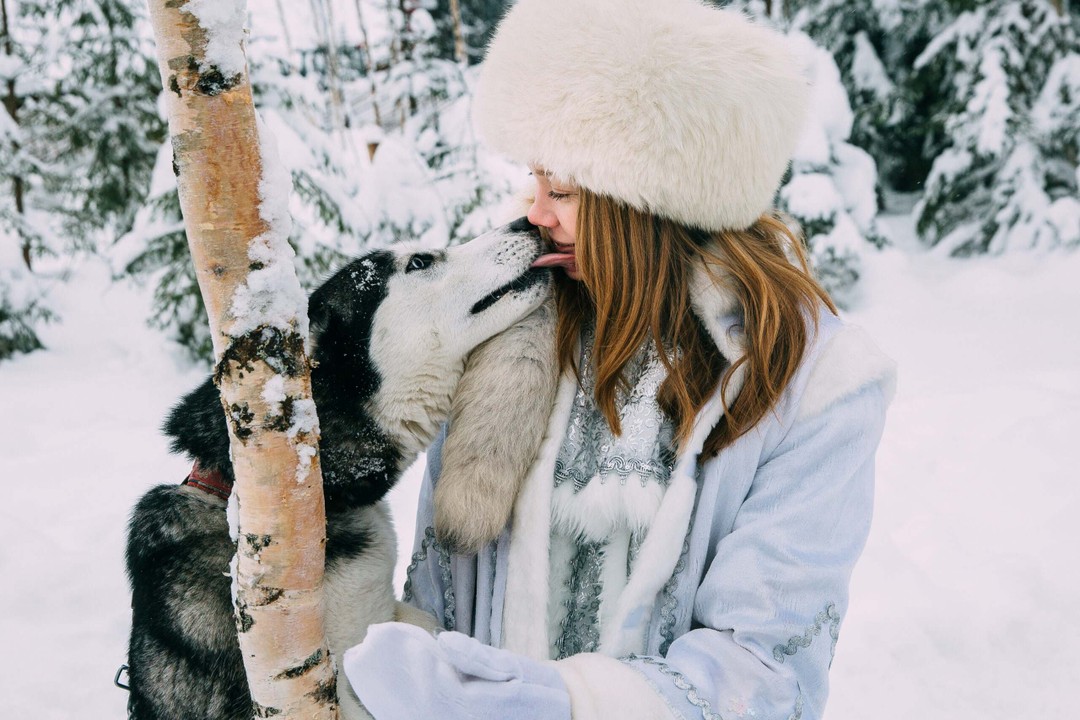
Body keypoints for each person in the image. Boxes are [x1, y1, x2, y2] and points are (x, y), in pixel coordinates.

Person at [343, 0, 896, 718]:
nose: (534, 211)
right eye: (533, 177)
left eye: (563, 189)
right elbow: (437, 590)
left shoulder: (814, 382)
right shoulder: (513, 331)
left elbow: (766, 668)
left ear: (648, 199)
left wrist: (554, 705)